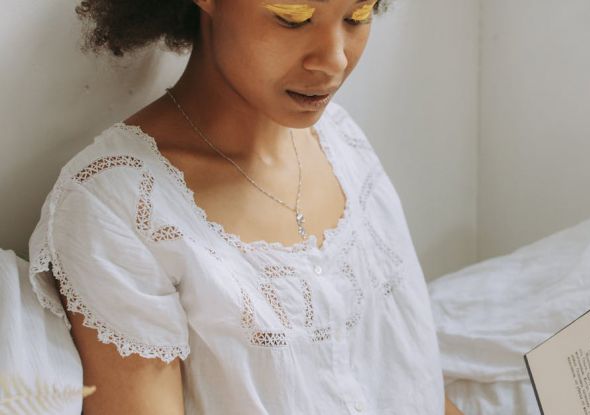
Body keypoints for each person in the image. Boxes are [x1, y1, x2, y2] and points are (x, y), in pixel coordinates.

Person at [26, 0, 465, 413]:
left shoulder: (340, 142)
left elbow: (416, 383)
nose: (334, 61)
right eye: (292, 16)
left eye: (357, 15)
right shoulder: (118, 207)